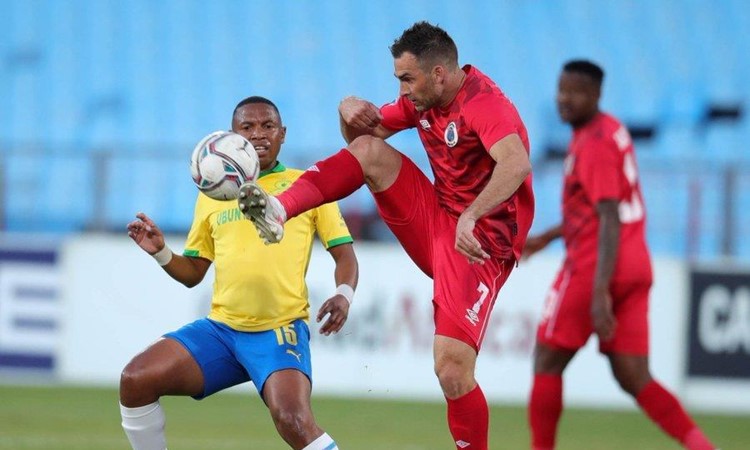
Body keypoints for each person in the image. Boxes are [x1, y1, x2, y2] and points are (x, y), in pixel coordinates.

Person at [238, 22, 534, 450]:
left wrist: (472, 215)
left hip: (480, 244)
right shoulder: (421, 100)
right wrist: (346, 110)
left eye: (407, 78)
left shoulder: (484, 104)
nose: (402, 90)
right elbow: (359, 142)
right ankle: (279, 209)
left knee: (452, 370)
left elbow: (516, 163)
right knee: (370, 152)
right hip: (437, 220)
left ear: (438, 74)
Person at [119, 96, 358, 450]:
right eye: (248, 127)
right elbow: (193, 273)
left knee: (292, 420)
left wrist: (343, 294)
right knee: (135, 379)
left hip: (279, 331)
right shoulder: (212, 194)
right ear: (233, 136)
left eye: (268, 126)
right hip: (222, 332)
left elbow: (345, 256)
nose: (258, 134)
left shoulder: (307, 184)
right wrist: (161, 252)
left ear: (282, 134)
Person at [524, 60, 716, 450]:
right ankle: (703, 446)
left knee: (547, 359)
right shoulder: (611, 130)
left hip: (595, 265)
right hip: (634, 263)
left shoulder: (592, 144)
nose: (564, 99)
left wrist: (599, 292)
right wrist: (549, 236)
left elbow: (608, 216)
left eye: (576, 92)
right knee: (634, 375)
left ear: (597, 95)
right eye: (561, 90)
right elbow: (595, 209)